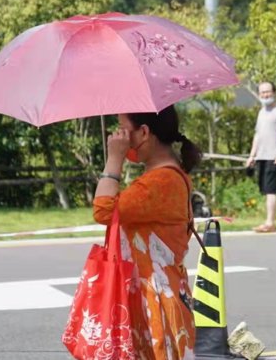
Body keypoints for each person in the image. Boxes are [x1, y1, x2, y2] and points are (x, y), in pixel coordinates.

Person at [93, 106, 203, 360]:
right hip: (160, 292)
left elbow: (103, 210)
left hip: (154, 299)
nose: (117, 138)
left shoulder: (161, 181)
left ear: (143, 132)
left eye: (123, 131)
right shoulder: (166, 175)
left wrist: (114, 159)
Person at [246, 80, 276, 233]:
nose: (265, 95)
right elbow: (257, 135)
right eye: (262, 93)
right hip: (261, 156)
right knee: (266, 190)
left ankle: (270, 223)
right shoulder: (261, 112)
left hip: (274, 156)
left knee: (271, 190)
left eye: (268, 92)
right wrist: (252, 155)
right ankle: (267, 221)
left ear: (274, 92)